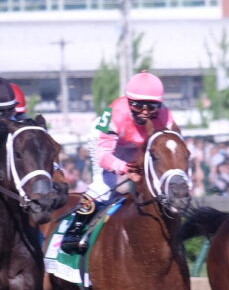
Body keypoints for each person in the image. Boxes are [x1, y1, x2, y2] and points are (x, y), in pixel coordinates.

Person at [60, 72, 179, 254]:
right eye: (138, 105)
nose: (145, 111)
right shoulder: (114, 112)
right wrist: (124, 168)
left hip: (138, 145)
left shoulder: (165, 116)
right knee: (104, 188)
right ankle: (74, 230)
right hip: (107, 145)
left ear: (160, 104)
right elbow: (103, 156)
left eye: (152, 106)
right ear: (128, 102)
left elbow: (172, 147)